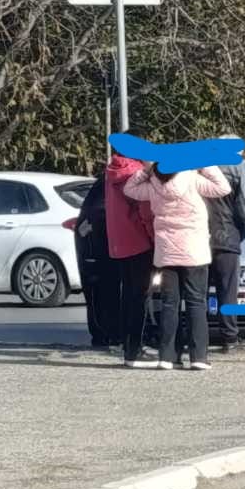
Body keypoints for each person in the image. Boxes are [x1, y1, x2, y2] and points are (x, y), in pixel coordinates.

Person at [123, 164, 231, 370]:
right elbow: (222, 187)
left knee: (169, 304)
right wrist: (205, 165)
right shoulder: (192, 179)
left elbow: (129, 189)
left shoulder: (153, 185)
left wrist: (146, 171)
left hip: (166, 253)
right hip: (194, 251)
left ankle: (168, 356)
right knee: (196, 303)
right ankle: (198, 356)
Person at [105, 151, 158, 368]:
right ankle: (135, 350)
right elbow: (144, 209)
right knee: (139, 298)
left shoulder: (111, 172)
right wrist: (154, 238)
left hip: (119, 242)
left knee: (127, 296)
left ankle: (129, 347)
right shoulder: (136, 173)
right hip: (139, 241)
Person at [206, 145, 245, 354]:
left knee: (198, 293)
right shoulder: (238, 170)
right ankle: (230, 338)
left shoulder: (200, 169)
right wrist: (240, 233)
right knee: (227, 291)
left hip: (201, 238)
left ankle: (198, 338)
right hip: (227, 237)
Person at [73, 173, 121, 348]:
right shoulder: (114, 184)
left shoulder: (106, 183)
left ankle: (103, 335)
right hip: (99, 248)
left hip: (95, 248)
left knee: (99, 294)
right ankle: (109, 335)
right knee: (108, 293)